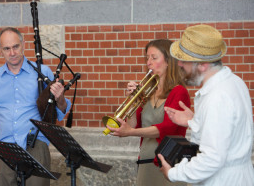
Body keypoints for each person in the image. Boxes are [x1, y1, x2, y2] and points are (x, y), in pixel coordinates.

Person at [158, 24, 254, 186]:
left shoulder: (216, 97)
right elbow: (226, 131)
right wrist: (194, 121)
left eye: (184, 61)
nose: (179, 64)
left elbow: (212, 158)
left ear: (202, 65)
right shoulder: (235, 82)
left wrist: (173, 173)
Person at [0, 27, 71, 186]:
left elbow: (60, 110)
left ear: (23, 44)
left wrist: (60, 97)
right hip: (4, 150)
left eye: (15, 46)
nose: (12, 52)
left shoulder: (42, 73)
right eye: (6, 48)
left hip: (35, 146)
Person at [107, 39, 191, 186]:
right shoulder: (148, 91)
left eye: (154, 57)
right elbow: (134, 125)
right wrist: (133, 100)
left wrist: (130, 132)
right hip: (146, 160)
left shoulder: (179, 91)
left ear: (168, 61)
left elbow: (167, 127)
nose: (148, 62)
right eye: (147, 58)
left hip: (169, 162)